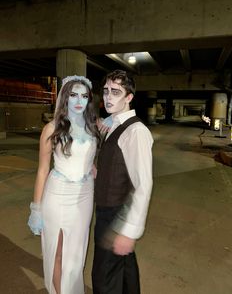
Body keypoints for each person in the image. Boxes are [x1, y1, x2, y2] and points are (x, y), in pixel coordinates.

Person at [28, 75, 100, 294]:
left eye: (84, 96)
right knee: (58, 252)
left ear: (89, 100)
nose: (79, 100)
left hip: (85, 196)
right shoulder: (51, 128)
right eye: (73, 95)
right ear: (64, 97)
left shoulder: (93, 126)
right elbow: (42, 170)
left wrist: (91, 165)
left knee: (76, 254)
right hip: (57, 195)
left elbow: (94, 151)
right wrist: (37, 209)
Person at [92, 70, 153, 294]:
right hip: (111, 210)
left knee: (104, 280)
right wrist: (100, 172)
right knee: (125, 275)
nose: (108, 97)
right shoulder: (114, 124)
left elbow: (143, 185)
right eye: (106, 91)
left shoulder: (136, 131)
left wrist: (128, 231)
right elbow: (119, 166)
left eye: (116, 92)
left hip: (115, 215)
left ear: (129, 97)